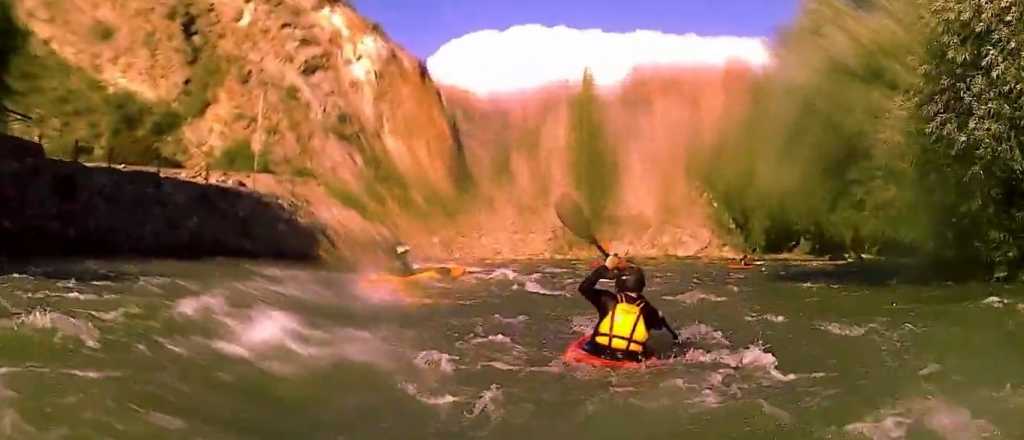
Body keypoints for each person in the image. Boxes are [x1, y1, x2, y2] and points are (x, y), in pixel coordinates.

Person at [577, 254, 679, 362]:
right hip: (629, 359)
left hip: (599, 352)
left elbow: (584, 287)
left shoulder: (607, 300)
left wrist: (605, 268)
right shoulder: (649, 310)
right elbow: (658, 327)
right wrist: (658, 316)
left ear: (619, 283)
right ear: (641, 285)